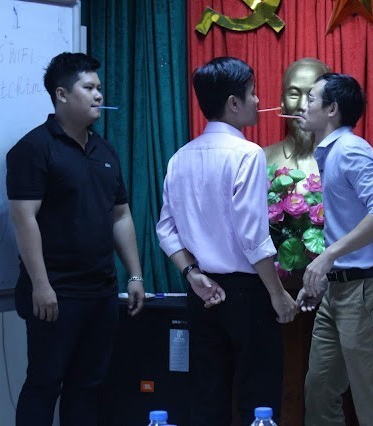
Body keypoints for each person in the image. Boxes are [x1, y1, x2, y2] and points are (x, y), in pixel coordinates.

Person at [156, 56, 298, 426]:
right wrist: (277, 293)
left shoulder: (179, 157)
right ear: (233, 103)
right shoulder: (248, 154)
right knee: (259, 398)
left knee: (207, 397)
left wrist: (191, 274)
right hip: (247, 293)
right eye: (253, 93)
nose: (258, 100)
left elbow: (165, 230)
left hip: (201, 290)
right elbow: (252, 235)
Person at [6, 52, 145, 426]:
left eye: (99, 88)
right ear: (62, 94)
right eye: (89, 87)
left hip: (101, 291)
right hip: (56, 293)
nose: (99, 95)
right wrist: (41, 285)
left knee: (88, 386)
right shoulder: (34, 148)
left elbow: (120, 215)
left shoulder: (104, 149)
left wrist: (134, 275)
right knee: (44, 384)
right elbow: (24, 219)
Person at [296, 73, 373, 425]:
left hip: (367, 291)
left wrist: (327, 256)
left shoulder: (351, 150)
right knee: (319, 393)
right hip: (338, 291)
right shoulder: (331, 152)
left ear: (332, 109)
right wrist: (325, 274)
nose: (302, 106)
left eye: (310, 99)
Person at [263, 58, 330, 182]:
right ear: (282, 102)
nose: (302, 105)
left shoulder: (343, 160)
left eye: (312, 96)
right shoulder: (261, 159)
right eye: (294, 94)